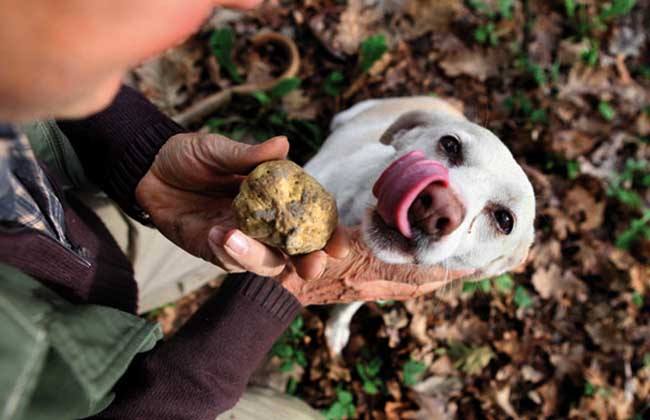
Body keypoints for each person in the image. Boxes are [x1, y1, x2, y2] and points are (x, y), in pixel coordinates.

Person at [0, 1, 466, 419]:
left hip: (66, 251)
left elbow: (30, 55)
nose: (245, 4)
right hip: (94, 394)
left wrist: (138, 155)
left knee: (235, 240)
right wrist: (264, 308)